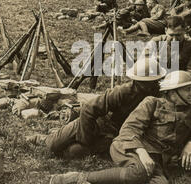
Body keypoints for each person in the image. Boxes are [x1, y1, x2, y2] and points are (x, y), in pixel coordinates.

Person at [50, 71, 191, 184]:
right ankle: (75, 178)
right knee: (138, 172)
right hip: (130, 146)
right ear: (173, 92)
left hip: (157, 158)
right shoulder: (152, 103)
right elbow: (129, 130)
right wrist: (142, 153)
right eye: (188, 88)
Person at [29, 57, 166, 159]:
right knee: (53, 145)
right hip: (96, 124)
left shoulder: (159, 96)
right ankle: (43, 139)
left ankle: (63, 136)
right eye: (142, 82)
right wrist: (85, 139)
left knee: (73, 152)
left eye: (151, 82)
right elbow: (89, 109)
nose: (146, 86)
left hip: (115, 135)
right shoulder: (124, 91)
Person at [151, 16, 191, 80]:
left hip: (181, 82)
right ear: (165, 30)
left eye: (178, 35)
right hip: (158, 80)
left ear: (184, 31)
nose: (174, 40)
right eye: (171, 35)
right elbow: (142, 64)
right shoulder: (156, 42)